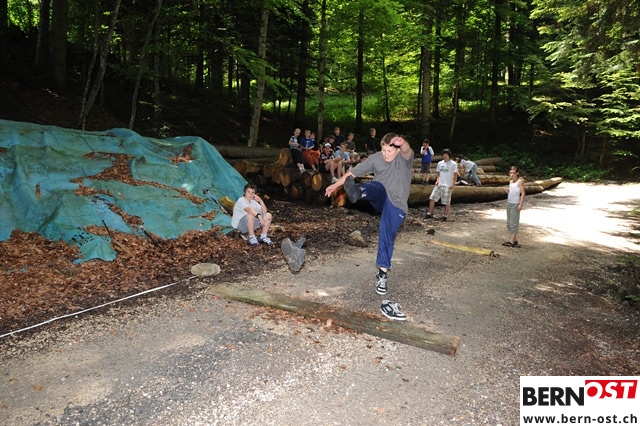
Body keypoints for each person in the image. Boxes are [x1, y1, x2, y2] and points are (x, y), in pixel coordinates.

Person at [325, 133, 413, 321]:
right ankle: (358, 192)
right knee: (376, 186)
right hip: (381, 197)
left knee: (386, 234)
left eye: (389, 151)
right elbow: (351, 174)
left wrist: (403, 143)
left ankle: (382, 275)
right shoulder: (376, 158)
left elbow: (406, 151)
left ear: (397, 150)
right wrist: (335, 186)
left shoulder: (404, 160)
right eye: (383, 150)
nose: (386, 154)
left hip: (397, 206)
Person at [425, 148, 458, 221]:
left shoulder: (453, 164)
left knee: (446, 201)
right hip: (439, 184)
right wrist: (437, 181)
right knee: (432, 198)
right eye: (443, 154)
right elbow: (438, 173)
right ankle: (430, 212)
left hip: (448, 185)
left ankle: (445, 215)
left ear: (449, 155)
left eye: (446, 154)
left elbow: (455, 175)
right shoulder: (440, 163)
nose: (445, 156)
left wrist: (453, 184)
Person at [502, 166, 526, 248]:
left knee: (514, 222)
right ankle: (514, 240)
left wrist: (520, 204)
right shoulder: (511, 182)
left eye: (513, 173)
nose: (512, 174)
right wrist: (507, 191)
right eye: (510, 173)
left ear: (517, 173)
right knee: (509, 222)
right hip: (509, 203)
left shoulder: (519, 181)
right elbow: (512, 191)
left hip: (515, 203)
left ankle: (511, 241)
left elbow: (523, 193)